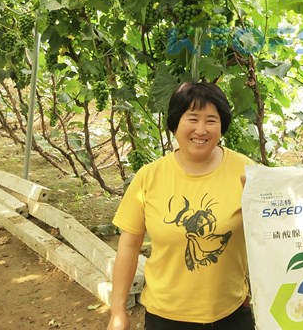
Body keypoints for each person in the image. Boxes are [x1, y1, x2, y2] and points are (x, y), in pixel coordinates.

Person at [107, 81, 255, 330]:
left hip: (230, 313)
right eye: (192, 118)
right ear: (175, 123)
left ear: (222, 126)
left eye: (211, 120)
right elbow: (129, 246)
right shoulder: (149, 177)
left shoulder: (246, 171)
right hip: (166, 316)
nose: (201, 129)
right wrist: (118, 310)